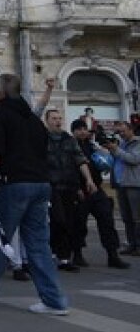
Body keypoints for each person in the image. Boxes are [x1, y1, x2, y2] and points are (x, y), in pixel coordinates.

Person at [0, 73, 70, 315]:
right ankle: (54, 300)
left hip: (15, 185)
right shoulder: (32, 120)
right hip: (41, 185)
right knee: (39, 245)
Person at [69, 119, 129, 269]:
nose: (83, 132)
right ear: (74, 131)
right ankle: (77, 254)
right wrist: (76, 188)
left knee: (107, 220)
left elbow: (103, 164)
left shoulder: (92, 145)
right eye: (79, 129)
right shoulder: (69, 146)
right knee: (78, 224)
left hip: (96, 189)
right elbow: (69, 169)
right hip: (80, 190)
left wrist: (104, 155)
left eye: (85, 129)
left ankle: (112, 255)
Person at [42, 109, 97, 272]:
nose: (57, 121)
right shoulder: (41, 139)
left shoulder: (69, 140)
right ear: (47, 121)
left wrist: (88, 180)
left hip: (69, 186)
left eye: (59, 118)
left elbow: (80, 160)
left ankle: (64, 258)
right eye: (54, 118)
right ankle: (51, 253)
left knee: (68, 221)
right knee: (57, 220)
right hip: (51, 186)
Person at [103, 119, 140, 256]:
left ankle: (138, 245)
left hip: (134, 185)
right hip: (121, 184)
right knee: (126, 218)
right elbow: (117, 160)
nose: (121, 134)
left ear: (131, 129)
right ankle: (131, 244)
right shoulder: (121, 144)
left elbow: (134, 159)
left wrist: (116, 149)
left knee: (137, 218)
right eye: (119, 131)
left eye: (123, 131)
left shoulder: (137, 143)